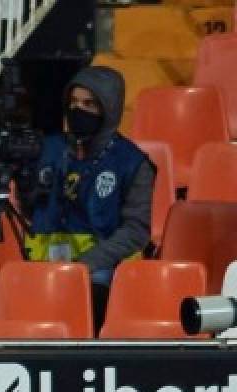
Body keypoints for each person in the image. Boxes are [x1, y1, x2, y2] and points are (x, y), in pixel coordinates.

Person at [24, 65, 153, 330]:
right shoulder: (48, 149)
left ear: (108, 109)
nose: (77, 111)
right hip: (43, 263)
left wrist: (85, 264)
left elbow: (136, 231)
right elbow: (31, 210)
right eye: (73, 103)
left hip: (101, 268)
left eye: (89, 104)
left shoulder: (132, 163)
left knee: (92, 289)